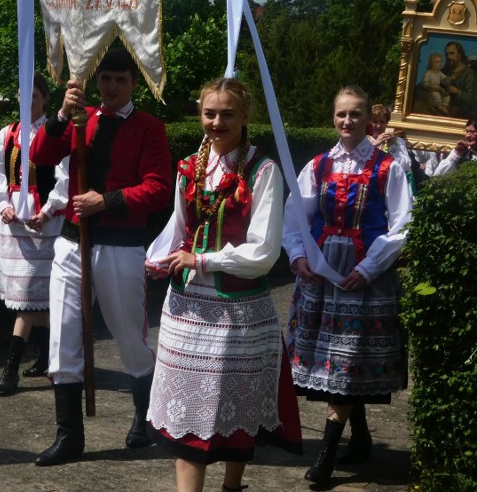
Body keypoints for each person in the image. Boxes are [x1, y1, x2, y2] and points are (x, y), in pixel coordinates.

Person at [144, 78, 303, 492]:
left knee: (236, 411)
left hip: (239, 310)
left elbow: (264, 252)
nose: (217, 122)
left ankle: (232, 487)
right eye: (210, 113)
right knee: (185, 422)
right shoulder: (188, 168)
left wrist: (203, 260)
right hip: (186, 307)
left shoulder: (263, 171)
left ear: (245, 116)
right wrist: (159, 257)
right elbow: (177, 228)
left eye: (227, 114)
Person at [30, 46, 172, 466]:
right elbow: (39, 156)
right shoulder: (80, 119)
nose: (111, 87)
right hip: (73, 242)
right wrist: (59, 117)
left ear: (133, 84)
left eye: (120, 80)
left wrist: (107, 201)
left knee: (129, 335)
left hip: (120, 244)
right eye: (105, 79)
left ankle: (144, 418)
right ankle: (69, 435)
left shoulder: (149, 128)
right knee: (64, 336)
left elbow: (159, 188)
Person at [283, 85, 412, 485]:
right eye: (341, 114)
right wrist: (298, 256)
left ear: (368, 120)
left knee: (348, 360)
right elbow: (295, 218)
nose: (347, 121)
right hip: (322, 276)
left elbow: (402, 224)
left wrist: (371, 267)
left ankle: (325, 457)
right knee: (337, 364)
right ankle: (362, 438)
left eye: (355, 114)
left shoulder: (387, 167)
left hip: (362, 279)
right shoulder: (319, 165)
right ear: (333, 117)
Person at [0, 77, 68, 394]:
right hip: (13, 227)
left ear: (45, 99)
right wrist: (3, 204)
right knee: (35, 302)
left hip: (44, 226)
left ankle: (11, 368)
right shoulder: (8, 134)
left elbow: (63, 177)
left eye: (33, 95)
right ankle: (47, 356)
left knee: (28, 302)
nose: (27, 101)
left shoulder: (55, 133)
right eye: (22, 95)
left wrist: (48, 210)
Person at [369, 104, 412, 190]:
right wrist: (375, 144)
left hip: (393, 186)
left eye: (382, 122)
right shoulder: (363, 141)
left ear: (387, 123)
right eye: (375, 122)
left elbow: (406, 165)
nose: (378, 126)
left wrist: (391, 147)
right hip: (371, 186)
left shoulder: (398, 141)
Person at [442, 41, 476, 118]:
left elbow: (472, 98)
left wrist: (458, 91)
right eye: (447, 54)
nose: (449, 57)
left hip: (460, 113)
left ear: (460, 54)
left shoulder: (469, 74)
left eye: (452, 53)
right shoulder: (445, 71)